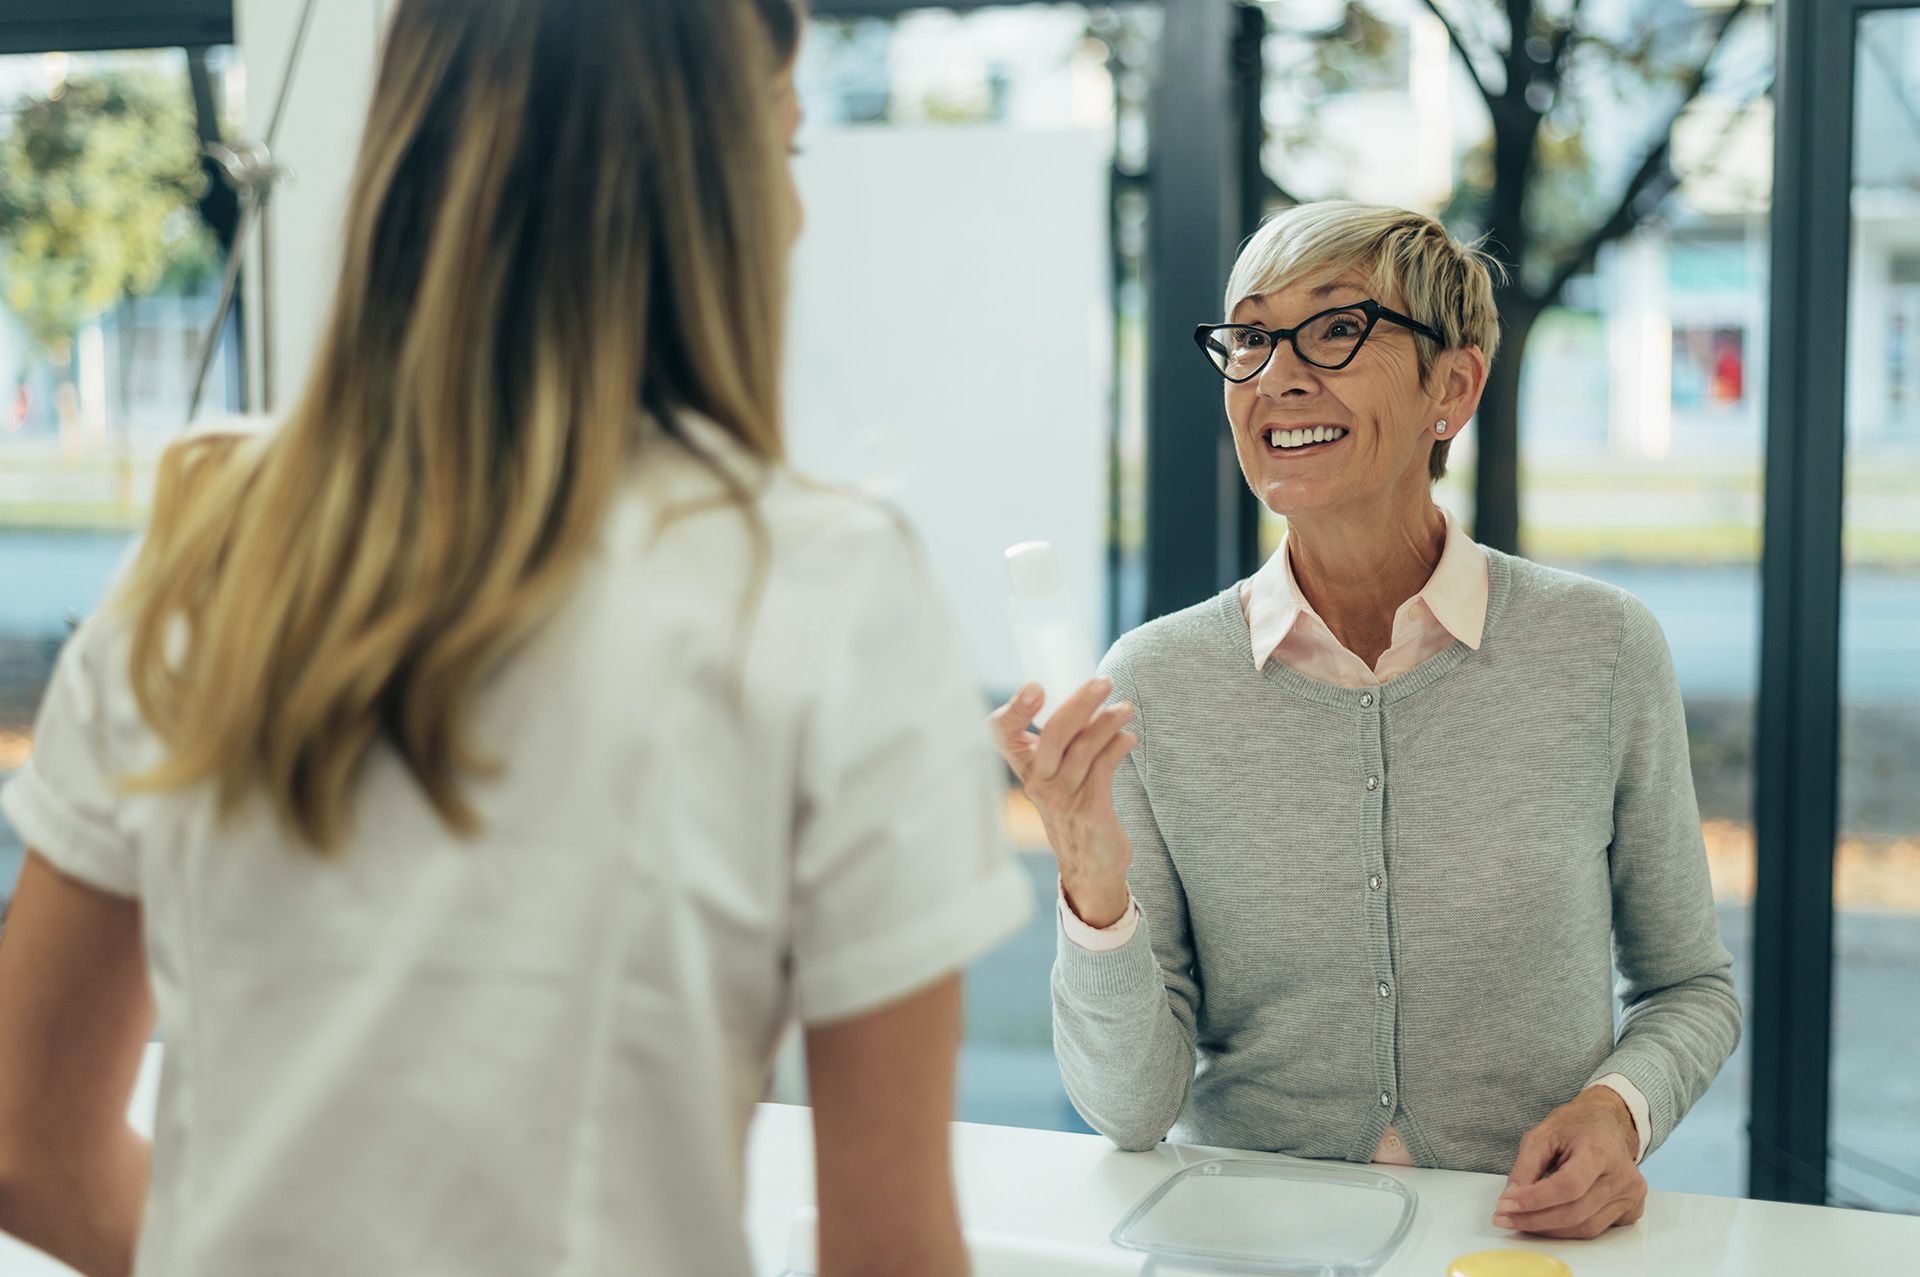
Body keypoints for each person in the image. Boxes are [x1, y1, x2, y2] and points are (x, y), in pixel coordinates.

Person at [0, 3, 1029, 1274]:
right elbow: (891, 1250)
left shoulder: (206, 552)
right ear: (707, 186)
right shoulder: (825, 589)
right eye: (788, 153)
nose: (796, 212)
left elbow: (26, 1143)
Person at [992, 202, 1740, 1242]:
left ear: (1454, 387)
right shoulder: (1155, 681)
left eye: (1337, 330)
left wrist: (1618, 1108)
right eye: (1250, 338)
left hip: (1516, 1240)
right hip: (1248, 1242)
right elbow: (1127, 1107)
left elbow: (1690, 986)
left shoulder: (1602, 650)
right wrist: (1089, 871)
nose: (1278, 377)